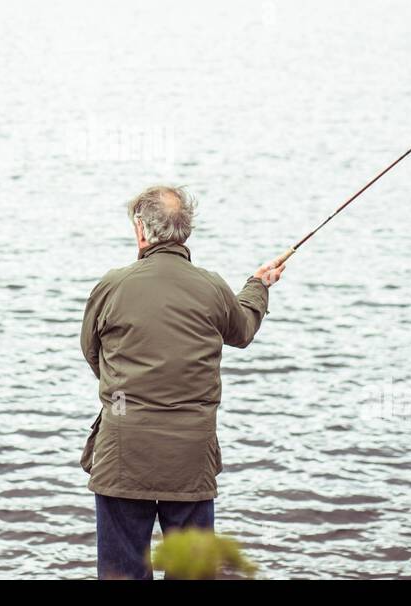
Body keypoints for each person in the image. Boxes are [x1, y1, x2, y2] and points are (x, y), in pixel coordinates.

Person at [79, 185, 284, 579]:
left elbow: (92, 351)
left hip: (124, 449)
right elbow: (241, 330)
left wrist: (126, 389)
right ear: (185, 231)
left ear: (141, 230)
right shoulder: (212, 287)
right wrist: (258, 286)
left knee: (122, 572)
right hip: (190, 456)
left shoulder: (113, 284)